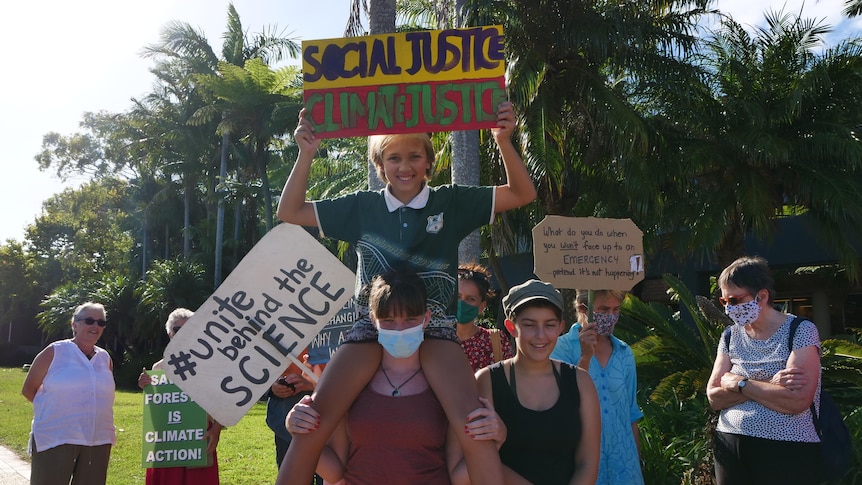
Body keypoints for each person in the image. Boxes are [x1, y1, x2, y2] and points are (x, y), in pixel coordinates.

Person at [276, 100, 536, 485]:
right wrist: (306, 153)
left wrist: (503, 139)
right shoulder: (362, 207)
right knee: (311, 425)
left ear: (429, 162)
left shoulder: (451, 202)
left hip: (434, 330)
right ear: (380, 166)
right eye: (393, 157)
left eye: (415, 156)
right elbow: (290, 211)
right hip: (371, 329)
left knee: (475, 429)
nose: (405, 166)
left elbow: (522, 193)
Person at [283, 268, 503, 484]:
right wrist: (299, 429)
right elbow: (335, 471)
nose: (399, 329)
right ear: (373, 320)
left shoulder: (444, 385)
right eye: (388, 320)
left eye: (410, 319)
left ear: (426, 319)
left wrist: (496, 438)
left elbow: (458, 474)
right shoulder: (351, 382)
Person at [706, 256, 822, 484]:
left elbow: (796, 401)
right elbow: (714, 397)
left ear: (762, 296)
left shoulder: (800, 331)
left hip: (787, 448)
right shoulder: (730, 336)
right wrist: (771, 382)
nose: (729, 308)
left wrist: (738, 383)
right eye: (724, 301)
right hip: (730, 444)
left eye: (734, 299)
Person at [476, 279, 601, 484]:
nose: (540, 335)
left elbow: (587, 462)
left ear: (561, 327)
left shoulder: (581, 382)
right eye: (529, 325)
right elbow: (481, 459)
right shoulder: (487, 381)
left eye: (549, 325)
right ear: (511, 327)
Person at [550, 289, 645, 485]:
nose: (611, 316)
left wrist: (637, 461)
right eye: (603, 309)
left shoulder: (624, 352)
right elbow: (563, 401)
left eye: (615, 310)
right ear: (583, 308)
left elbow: (630, 413)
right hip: (583, 462)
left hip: (624, 465)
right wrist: (585, 358)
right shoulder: (561, 348)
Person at [22, 302, 116, 485]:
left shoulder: (105, 358)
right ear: (75, 324)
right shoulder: (54, 352)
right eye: (89, 320)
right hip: (57, 437)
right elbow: (28, 389)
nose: (95, 326)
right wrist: (55, 408)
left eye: (101, 322)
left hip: (97, 439)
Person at [137, 308, 223, 485]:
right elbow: (156, 409)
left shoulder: (209, 365)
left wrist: (217, 429)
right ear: (170, 333)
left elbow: (223, 403)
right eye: (178, 329)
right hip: (167, 440)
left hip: (199, 437)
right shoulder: (158, 368)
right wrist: (146, 385)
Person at [266, 349, 321, 484]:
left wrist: (313, 383)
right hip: (284, 424)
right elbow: (257, 368)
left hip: (328, 423)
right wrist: (273, 387)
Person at [456, 262, 514, 371]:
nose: (462, 303)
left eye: (470, 299)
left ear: (481, 306)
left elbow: (508, 381)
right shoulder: (434, 341)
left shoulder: (495, 341)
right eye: (458, 297)